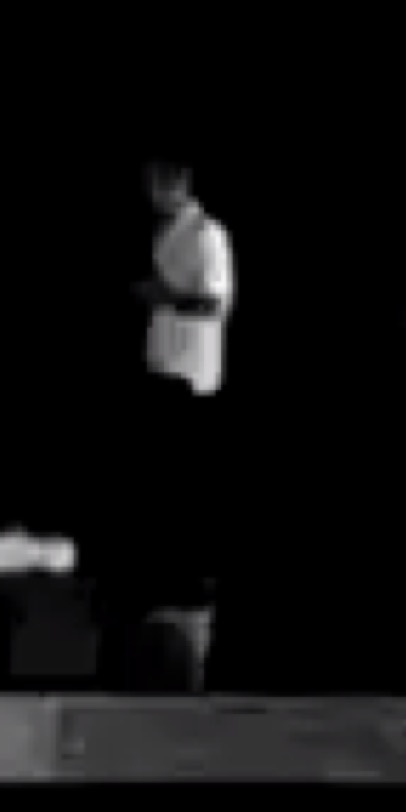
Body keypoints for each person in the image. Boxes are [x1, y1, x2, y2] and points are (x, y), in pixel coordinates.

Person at [120, 157, 236, 632]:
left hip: (192, 378)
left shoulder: (207, 234)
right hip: (164, 366)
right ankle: (164, 577)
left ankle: (192, 581)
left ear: (178, 183)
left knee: (186, 481)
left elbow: (213, 300)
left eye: (154, 184)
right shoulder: (168, 231)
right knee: (162, 479)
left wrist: (163, 296)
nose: (148, 194)